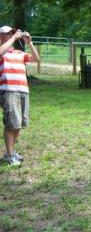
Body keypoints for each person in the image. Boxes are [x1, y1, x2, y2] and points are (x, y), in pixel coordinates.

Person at [0, 26, 39, 166]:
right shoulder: (2, 51)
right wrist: (14, 38)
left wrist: (30, 43)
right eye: (7, 33)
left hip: (23, 90)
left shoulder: (19, 52)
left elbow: (35, 59)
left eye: (12, 32)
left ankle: (10, 152)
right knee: (11, 123)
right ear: (1, 36)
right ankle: (10, 155)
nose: (11, 34)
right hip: (8, 90)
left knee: (18, 124)